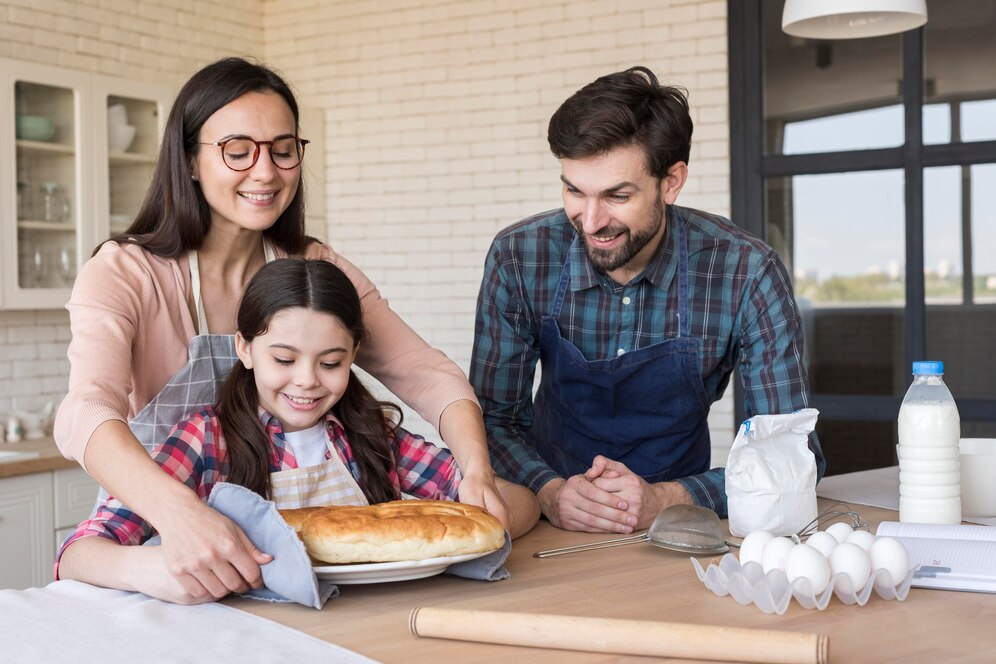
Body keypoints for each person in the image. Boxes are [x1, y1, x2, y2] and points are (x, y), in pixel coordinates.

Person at [54, 57, 513, 602]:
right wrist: (177, 515)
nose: (266, 172)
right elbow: (85, 412)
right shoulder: (127, 271)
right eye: (238, 151)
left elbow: (430, 377)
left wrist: (476, 471)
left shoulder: (314, 268)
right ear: (191, 161)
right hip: (158, 532)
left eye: (283, 149)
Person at [470, 66, 826, 535]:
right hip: (549, 521)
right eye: (574, 191)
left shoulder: (747, 271)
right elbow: (491, 422)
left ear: (671, 181)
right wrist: (550, 490)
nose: (591, 220)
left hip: (679, 528)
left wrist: (666, 499)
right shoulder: (520, 256)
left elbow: (791, 455)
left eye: (617, 195)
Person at [56, 259, 538, 604]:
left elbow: (520, 502)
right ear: (244, 349)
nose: (307, 380)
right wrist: (147, 568)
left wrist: (482, 505)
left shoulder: (369, 438)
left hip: (374, 624)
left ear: (354, 355)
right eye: (284, 359)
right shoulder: (203, 440)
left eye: (331, 362)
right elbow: (77, 555)